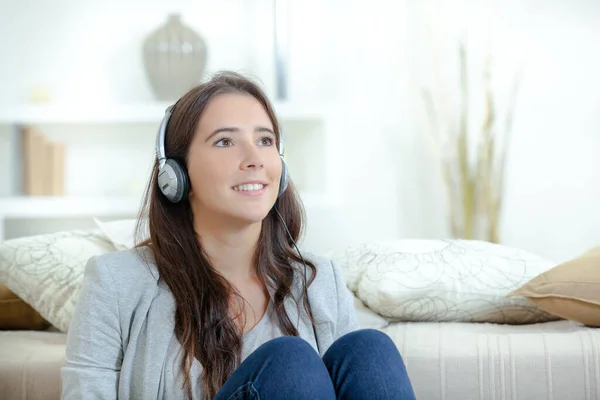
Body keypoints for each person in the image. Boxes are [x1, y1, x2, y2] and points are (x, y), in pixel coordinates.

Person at [61, 71, 416, 400]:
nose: (254, 158)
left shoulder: (319, 281)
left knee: (370, 350)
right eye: (224, 142)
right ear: (175, 172)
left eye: (264, 140)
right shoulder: (114, 281)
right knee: (290, 363)